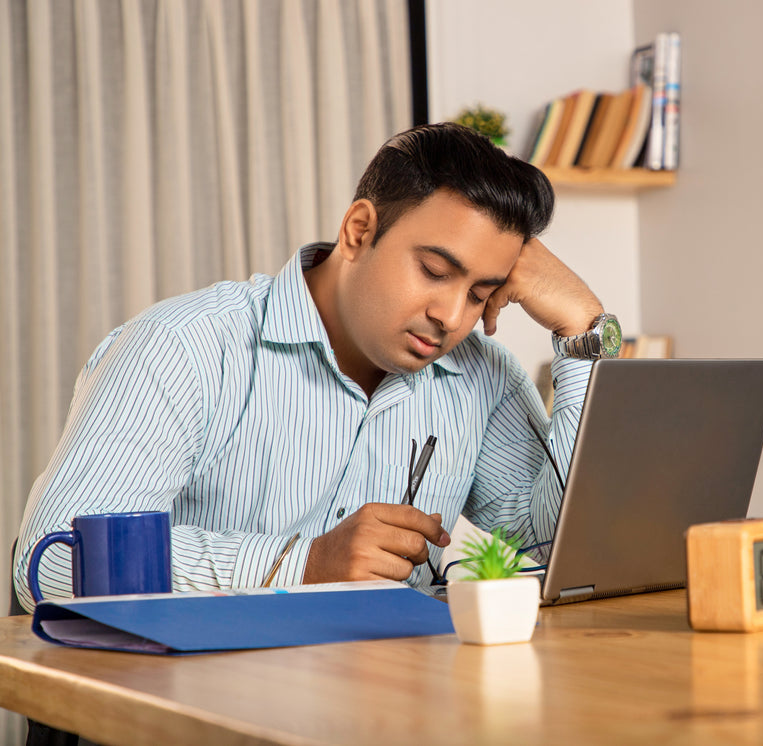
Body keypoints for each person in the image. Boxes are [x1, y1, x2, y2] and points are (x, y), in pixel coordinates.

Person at [14, 122, 620, 610]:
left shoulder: (483, 376)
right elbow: (55, 561)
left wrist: (586, 333)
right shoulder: (183, 348)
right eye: (435, 272)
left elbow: (550, 557)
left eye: (483, 293)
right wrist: (302, 564)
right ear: (359, 230)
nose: (451, 315)